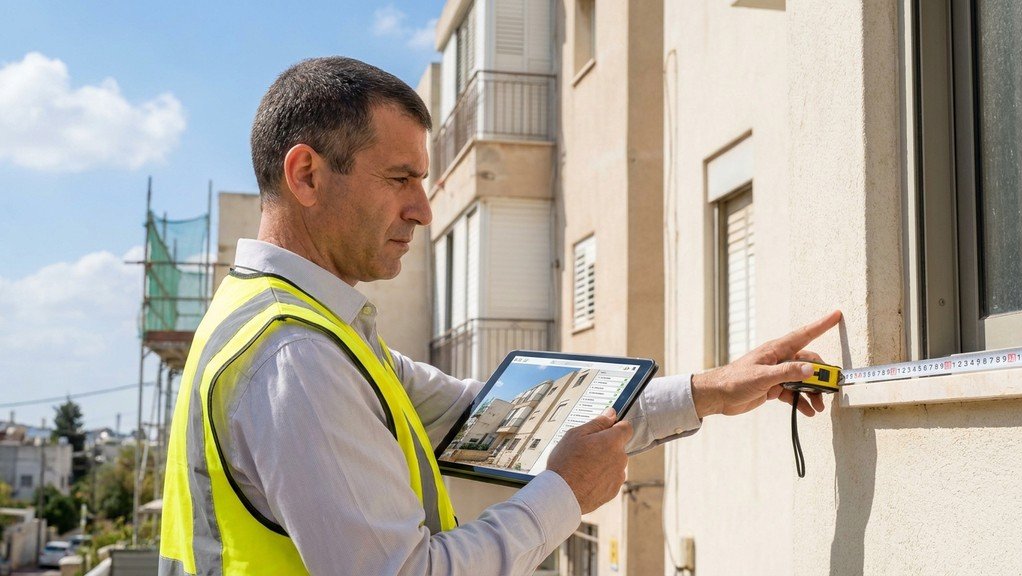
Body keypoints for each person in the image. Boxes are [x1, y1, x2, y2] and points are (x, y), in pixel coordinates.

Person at [159, 56, 841, 576]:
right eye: (400, 179)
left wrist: (710, 392)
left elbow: (511, 418)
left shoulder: (298, 328)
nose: (423, 209)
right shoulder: (295, 357)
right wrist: (562, 495)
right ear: (306, 175)